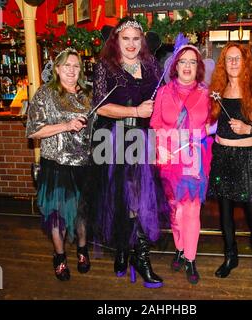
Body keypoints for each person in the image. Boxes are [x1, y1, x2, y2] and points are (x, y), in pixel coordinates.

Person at [92, 17, 170, 288]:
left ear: (142, 41)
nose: (131, 44)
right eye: (125, 38)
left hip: (143, 138)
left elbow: (161, 101)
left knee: (138, 198)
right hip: (114, 140)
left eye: (136, 38)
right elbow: (101, 107)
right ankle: (131, 253)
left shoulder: (151, 66)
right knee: (122, 196)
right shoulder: (106, 67)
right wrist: (135, 111)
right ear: (116, 41)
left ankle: (133, 253)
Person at [207, 42, 252, 295]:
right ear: (223, 64)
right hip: (223, 156)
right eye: (229, 59)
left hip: (247, 158)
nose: (233, 63)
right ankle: (230, 257)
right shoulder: (218, 89)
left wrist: (250, 129)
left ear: (246, 62)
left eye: (238, 58)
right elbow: (216, 123)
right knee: (225, 214)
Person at [26, 48, 92, 281]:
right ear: (57, 69)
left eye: (76, 66)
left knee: (82, 213)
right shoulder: (45, 94)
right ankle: (60, 257)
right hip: (56, 165)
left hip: (84, 164)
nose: (72, 70)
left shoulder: (88, 93)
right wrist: (66, 125)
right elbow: (33, 131)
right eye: (67, 66)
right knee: (58, 216)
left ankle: (83, 251)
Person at [150, 45, 214, 284]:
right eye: (183, 62)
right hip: (169, 159)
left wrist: (205, 132)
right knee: (175, 210)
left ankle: (190, 257)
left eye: (192, 62)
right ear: (175, 66)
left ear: (198, 67)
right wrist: (161, 151)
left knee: (192, 209)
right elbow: (156, 124)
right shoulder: (164, 92)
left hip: (195, 159)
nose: (187, 66)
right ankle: (179, 247)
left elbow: (214, 125)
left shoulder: (206, 94)